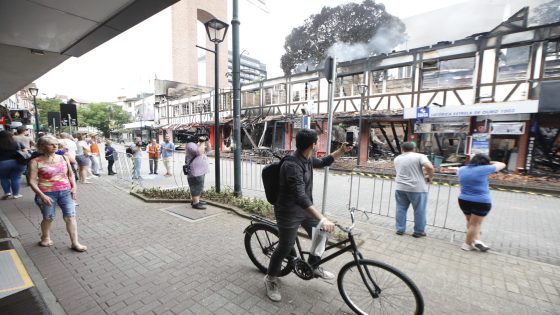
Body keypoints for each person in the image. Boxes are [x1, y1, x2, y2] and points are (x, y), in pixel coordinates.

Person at [264, 129, 352, 302]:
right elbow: (300, 196)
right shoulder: (292, 165)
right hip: (288, 212)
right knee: (284, 246)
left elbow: (324, 161)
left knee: (322, 232)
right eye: (318, 141)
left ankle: (313, 264)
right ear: (313, 145)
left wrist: (341, 151)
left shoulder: (307, 159)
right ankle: (270, 278)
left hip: (303, 210)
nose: (319, 143)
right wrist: (323, 218)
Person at [28, 135, 87, 252]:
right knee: (49, 218)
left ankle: (75, 243)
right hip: (47, 193)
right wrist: (42, 195)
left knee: (70, 217)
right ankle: (45, 237)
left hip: (65, 192)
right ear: (43, 146)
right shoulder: (35, 161)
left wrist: (74, 188)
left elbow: (70, 175)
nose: (55, 146)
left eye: (56, 144)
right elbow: (31, 181)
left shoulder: (63, 158)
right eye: (51, 144)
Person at [457, 154, 506, 251]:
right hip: (480, 201)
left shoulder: (462, 169)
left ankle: (476, 241)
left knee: (471, 222)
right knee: (475, 224)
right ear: (485, 163)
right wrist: (489, 162)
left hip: (463, 200)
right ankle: (467, 245)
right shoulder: (484, 169)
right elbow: (502, 164)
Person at [393, 142, 434, 238]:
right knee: (419, 210)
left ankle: (400, 229)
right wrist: (430, 177)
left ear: (402, 149)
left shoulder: (397, 158)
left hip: (400, 187)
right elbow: (430, 167)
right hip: (417, 188)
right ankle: (418, 232)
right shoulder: (420, 156)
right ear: (414, 149)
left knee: (400, 208)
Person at [0, 130, 27, 199]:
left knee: (4, 178)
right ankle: (16, 194)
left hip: (2, 163)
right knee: (16, 178)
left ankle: (7, 192)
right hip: (18, 163)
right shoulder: (16, 143)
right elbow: (25, 151)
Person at [185, 137, 209, 209]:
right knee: (196, 186)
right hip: (195, 171)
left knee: (199, 186)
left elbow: (208, 149)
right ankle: (195, 203)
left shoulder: (196, 145)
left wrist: (207, 141)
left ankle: (196, 200)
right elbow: (198, 152)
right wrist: (202, 142)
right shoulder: (190, 145)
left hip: (200, 170)